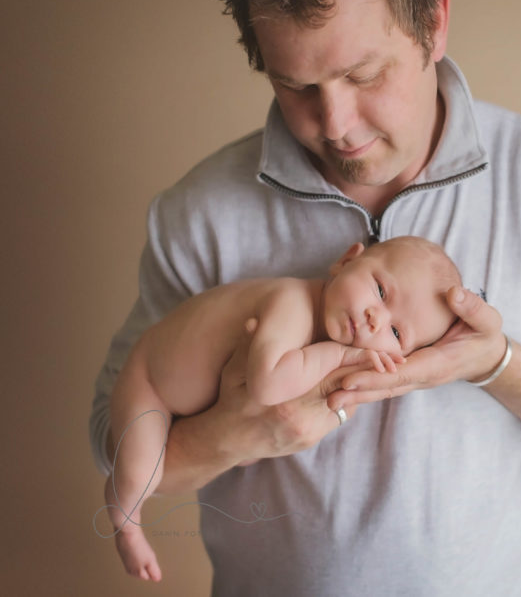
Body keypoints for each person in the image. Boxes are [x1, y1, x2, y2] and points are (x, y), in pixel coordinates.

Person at [89, 0, 521, 594]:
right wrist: (236, 432)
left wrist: (496, 363)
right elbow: (113, 439)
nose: (337, 125)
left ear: (434, 23)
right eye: (297, 86)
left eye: (365, 74)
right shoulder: (199, 212)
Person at [102, 236, 458, 582]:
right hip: (150, 385)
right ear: (347, 261)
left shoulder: (316, 327)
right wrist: (338, 356)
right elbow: (267, 386)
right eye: (380, 290)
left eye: (395, 334)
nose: (375, 319)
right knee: (139, 473)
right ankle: (126, 523)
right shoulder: (293, 302)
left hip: (186, 400)